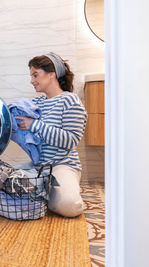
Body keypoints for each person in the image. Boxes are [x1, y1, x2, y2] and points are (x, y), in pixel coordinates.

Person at [15, 53, 87, 217]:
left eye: (35, 75)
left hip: (63, 165)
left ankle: (61, 188)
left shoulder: (69, 100)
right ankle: (46, 189)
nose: (32, 80)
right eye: (31, 76)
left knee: (70, 206)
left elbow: (70, 140)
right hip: (40, 166)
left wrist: (34, 125)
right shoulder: (37, 103)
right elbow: (15, 114)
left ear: (51, 74)